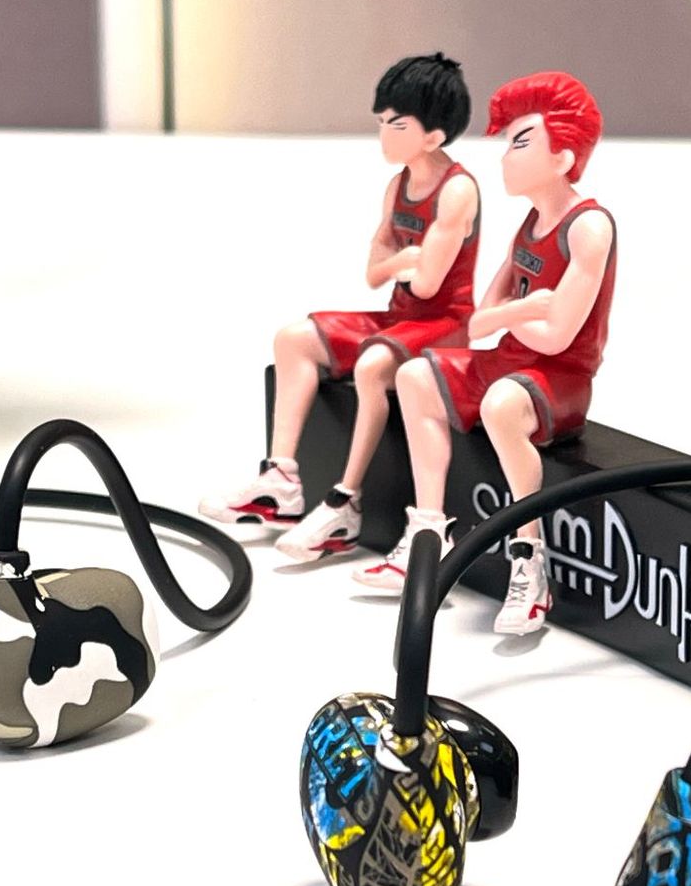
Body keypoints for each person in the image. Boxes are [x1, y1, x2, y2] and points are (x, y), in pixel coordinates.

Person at [356, 72, 614, 637]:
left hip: (561, 379)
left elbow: (558, 339)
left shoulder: (589, 227)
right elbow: (478, 322)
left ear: (562, 157)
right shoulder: (531, 222)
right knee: (417, 375)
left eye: (521, 143)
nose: (504, 157)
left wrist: (513, 317)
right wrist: (524, 310)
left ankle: (530, 560)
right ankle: (427, 532)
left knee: (500, 404)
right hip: (512, 361)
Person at [199, 54, 481, 561]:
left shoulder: (457, 190)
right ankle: (281, 480)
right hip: (399, 320)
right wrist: (403, 262)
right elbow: (375, 273)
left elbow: (427, 285)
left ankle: (345, 503)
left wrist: (401, 264)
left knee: (372, 366)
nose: (384, 134)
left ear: (434, 136)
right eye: (381, 121)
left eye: (397, 124)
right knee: (293, 339)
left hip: (444, 326)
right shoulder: (398, 185)